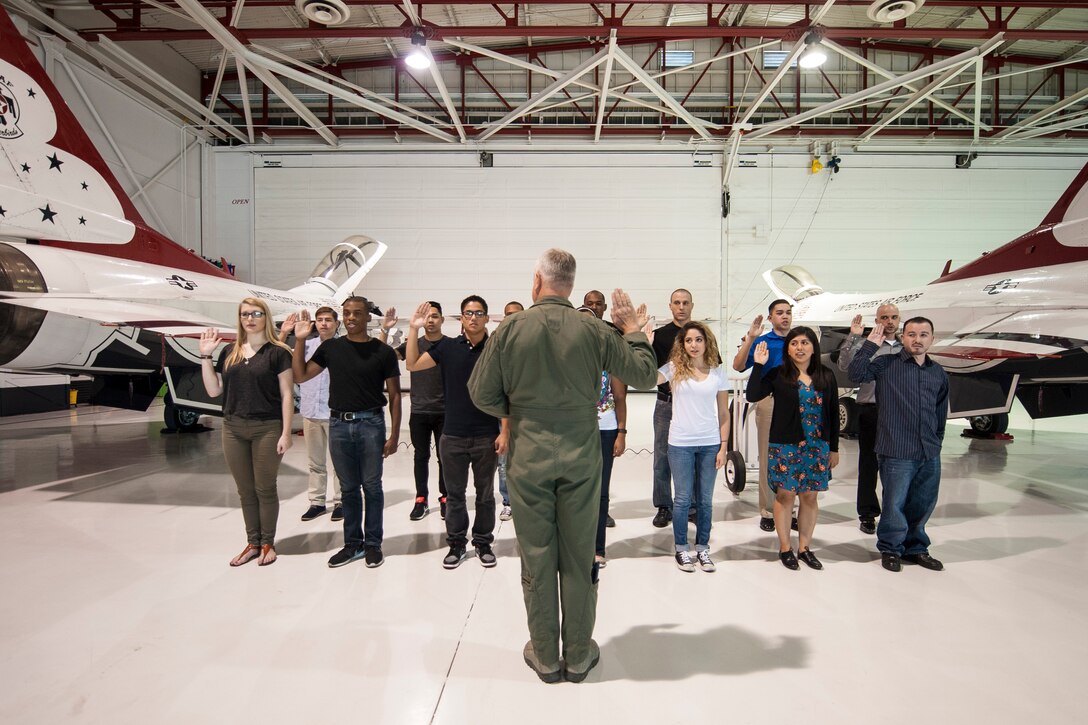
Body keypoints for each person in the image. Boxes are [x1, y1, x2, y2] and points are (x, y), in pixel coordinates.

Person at [468, 249, 657, 684]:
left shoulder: (513, 328)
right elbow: (646, 375)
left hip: (529, 453)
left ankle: (546, 657)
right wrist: (632, 330)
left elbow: (480, 393)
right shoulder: (594, 328)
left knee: (536, 554)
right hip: (581, 451)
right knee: (578, 555)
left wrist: (516, 411)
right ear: (571, 285)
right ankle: (577, 653)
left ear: (537, 281)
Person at [292, 296, 401, 569]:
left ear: (367, 318)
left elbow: (396, 396)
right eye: (347, 313)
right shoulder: (331, 348)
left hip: (370, 425)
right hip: (339, 424)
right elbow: (301, 376)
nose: (351, 318)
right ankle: (353, 544)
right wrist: (300, 340)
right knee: (349, 489)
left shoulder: (382, 352)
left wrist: (395, 435)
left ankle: (373, 544)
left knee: (372, 487)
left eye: (357, 313)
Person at [406, 296, 506, 570]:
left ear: (486, 318)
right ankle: (457, 544)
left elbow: (507, 392)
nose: (473, 317)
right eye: (467, 313)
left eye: (478, 313)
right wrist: (413, 329)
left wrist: (504, 431)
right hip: (452, 435)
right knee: (455, 494)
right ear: (461, 318)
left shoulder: (496, 349)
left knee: (485, 495)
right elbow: (412, 364)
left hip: (487, 434)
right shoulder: (448, 348)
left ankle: (483, 542)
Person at [848, 317, 948, 573]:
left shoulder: (937, 372)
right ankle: (891, 548)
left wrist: (937, 442)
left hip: (928, 451)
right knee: (894, 503)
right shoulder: (885, 364)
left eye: (924, 334)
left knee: (923, 503)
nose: (917, 339)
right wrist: (869, 345)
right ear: (903, 337)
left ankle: (915, 548)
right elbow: (855, 374)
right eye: (912, 334)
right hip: (896, 449)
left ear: (932, 339)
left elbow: (939, 411)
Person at [199, 298, 294, 567]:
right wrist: (205, 356)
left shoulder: (278, 352)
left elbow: (287, 395)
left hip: (267, 428)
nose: (250, 319)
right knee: (245, 490)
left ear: (266, 316)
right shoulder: (230, 350)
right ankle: (253, 542)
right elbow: (214, 390)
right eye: (244, 314)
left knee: (265, 488)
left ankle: (268, 543)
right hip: (233, 428)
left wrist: (286, 432)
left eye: (256, 313)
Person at [746, 327, 839, 571]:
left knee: (810, 496)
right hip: (785, 445)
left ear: (813, 347)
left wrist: (834, 448)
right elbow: (753, 393)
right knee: (785, 495)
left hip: (817, 446)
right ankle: (785, 547)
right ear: (787, 348)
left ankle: (805, 547)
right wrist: (758, 366)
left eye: (805, 343)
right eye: (794, 343)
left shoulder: (826, 376)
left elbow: (832, 413)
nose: (800, 348)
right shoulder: (779, 374)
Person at [656, 321, 729, 573]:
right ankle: (681, 548)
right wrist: (642, 341)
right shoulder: (674, 369)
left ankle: (703, 548)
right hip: (680, 444)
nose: (694, 345)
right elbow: (647, 379)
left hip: (709, 443)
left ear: (706, 342)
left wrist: (723, 447)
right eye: (689, 340)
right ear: (682, 344)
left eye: (698, 339)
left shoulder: (718, 373)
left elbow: (724, 413)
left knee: (706, 500)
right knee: (683, 499)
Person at [837, 305, 901, 534]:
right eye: (885, 318)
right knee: (868, 465)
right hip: (871, 410)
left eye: (894, 317)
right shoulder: (868, 344)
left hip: (898, 413)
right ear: (877, 320)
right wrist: (854, 336)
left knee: (896, 465)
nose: (890, 321)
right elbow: (844, 365)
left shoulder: (906, 347)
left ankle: (894, 513)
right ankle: (867, 514)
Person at [733, 299, 794, 533]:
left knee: (793, 456)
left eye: (788, 312)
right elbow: (738, 366)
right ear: (771, 318)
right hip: (770, 401)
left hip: (796, 402)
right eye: (779, 313)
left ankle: (789, 508)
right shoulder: (762, 342)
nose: (785, 316)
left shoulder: (798, 340)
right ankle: (768, 509)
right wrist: (750, 338)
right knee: (769, 455)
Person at [383, 301, 447, 521]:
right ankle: (421, 499)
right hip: (419, 411)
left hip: (445, 412)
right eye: (427, 316)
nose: (430, 320)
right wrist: (386, 329)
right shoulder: (413, 344)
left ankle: (445, 497)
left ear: (442, 320)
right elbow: (384, 356)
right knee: (421, 456)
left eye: (435, 316)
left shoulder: (450, 345)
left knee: (444, 458)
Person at [575, 305, 627, 568]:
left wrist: (621, 431)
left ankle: (597, 548)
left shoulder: (609, 356)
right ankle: (574, 545)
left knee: (600, 491)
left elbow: (619, 397)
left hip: (605, 430)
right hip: (573, 431)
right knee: (573, 490)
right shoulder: (565, 355)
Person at [280, 308, 343, 523]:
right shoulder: (305, 346)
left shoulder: (344, 347)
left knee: (339, 462)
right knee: (315, 462)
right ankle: (317, 502)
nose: (324, 324)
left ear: (336, 323)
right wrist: (284, 333)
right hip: (311, 412)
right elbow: (278, 355)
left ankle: (341, 501)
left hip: (335, 412)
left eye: (328, 320)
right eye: (320, 320)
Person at [650, 289, 695, 529]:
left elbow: (712, 365)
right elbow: (650, 371)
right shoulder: (659, 336)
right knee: (662, 457)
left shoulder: (700, 335)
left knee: (693, 456)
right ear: (670, 306)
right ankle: (664, 506)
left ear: (692, 305)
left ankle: (692, 506)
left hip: (694, 406)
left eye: (685, 303)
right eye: (677, 303)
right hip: (667, 404)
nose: (681, 307)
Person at [583, 290, 621, 528]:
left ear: (604, 307)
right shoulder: (572, 336)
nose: (594, 307)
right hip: (578, 421)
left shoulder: (612, 334)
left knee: (603, 473)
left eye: (598, 304)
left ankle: (601, 513)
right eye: (590, 304)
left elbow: (620, 392)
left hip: (606, 419)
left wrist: (623, 430)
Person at [496, 300, 525, 522]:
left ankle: (527, 502)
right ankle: (507, 502)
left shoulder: (533, 341)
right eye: (508, 314)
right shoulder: (499, 345)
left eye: (515, 314)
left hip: (529, 415)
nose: (511, 318)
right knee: (504, 462)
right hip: (505, 414)